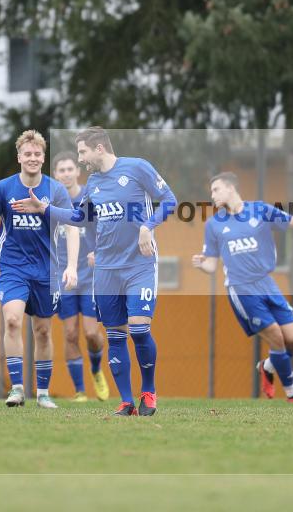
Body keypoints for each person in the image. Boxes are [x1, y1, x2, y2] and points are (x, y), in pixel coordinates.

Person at [12, 127, 177, 416]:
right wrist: (43, 209)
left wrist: (147, 227)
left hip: (139, 264)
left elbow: (171, 201)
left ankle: (148, 392)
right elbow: (79, 217)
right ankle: (126, 402)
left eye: (82, 152)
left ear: (99, 148)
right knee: (114, 335)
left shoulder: (138, 168)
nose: (80, 158)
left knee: (139, 328)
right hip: (106, 269)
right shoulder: (95, 183)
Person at [0, 130, 78, 409]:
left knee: (42, 330)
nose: (32, 158)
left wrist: (72, 266)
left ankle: (43, 393)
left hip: (47, 269)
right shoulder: (3, 188)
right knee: (13, 320)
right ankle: (16, 389)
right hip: (13, 266)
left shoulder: (56, 191)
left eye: (37, 154)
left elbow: (73, 226)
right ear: (19, 157)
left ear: (43, 158)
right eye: (27, 153)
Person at [191, 172, 293, 403]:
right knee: (277, 338)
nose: (212, 195)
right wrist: (201, 264)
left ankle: (267, 367)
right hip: (242, 289)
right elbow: (211, 265)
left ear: (231, 188)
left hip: (267, 284)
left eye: (216, 189)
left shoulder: (260, 210)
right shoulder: (214, 225)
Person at [51, 150, 109, 402]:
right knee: (71, 334)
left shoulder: (91, 197)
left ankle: (96, 369)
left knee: (91, 334)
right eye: (61, 170)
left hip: (90, 275)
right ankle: (80, 391)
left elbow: (106, 224)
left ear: (78, 171)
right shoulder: (50, 198)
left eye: (69, 169)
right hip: (62, 275)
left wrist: (100, 251)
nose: (65, 174)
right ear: (55, 174)